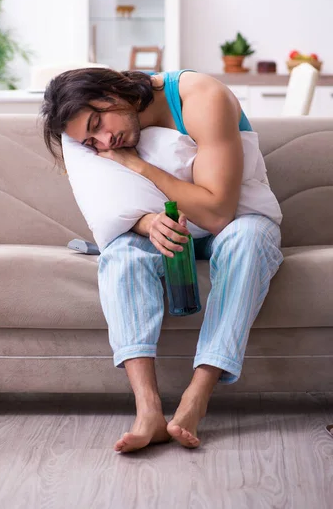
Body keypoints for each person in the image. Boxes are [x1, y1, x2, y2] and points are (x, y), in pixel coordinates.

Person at [41, 68, 284, 454]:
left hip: (238, 223)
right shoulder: (89, 137)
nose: (106, 141)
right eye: (92, 139)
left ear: (111, 90)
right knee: (120, 253)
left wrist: (139, 165)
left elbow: (218, 212)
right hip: (170, 228)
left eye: (98, 123)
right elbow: (110, 202)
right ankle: (148, 410)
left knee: (248, 239)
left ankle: (196, 396)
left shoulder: (201, 97)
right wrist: (145, 221)